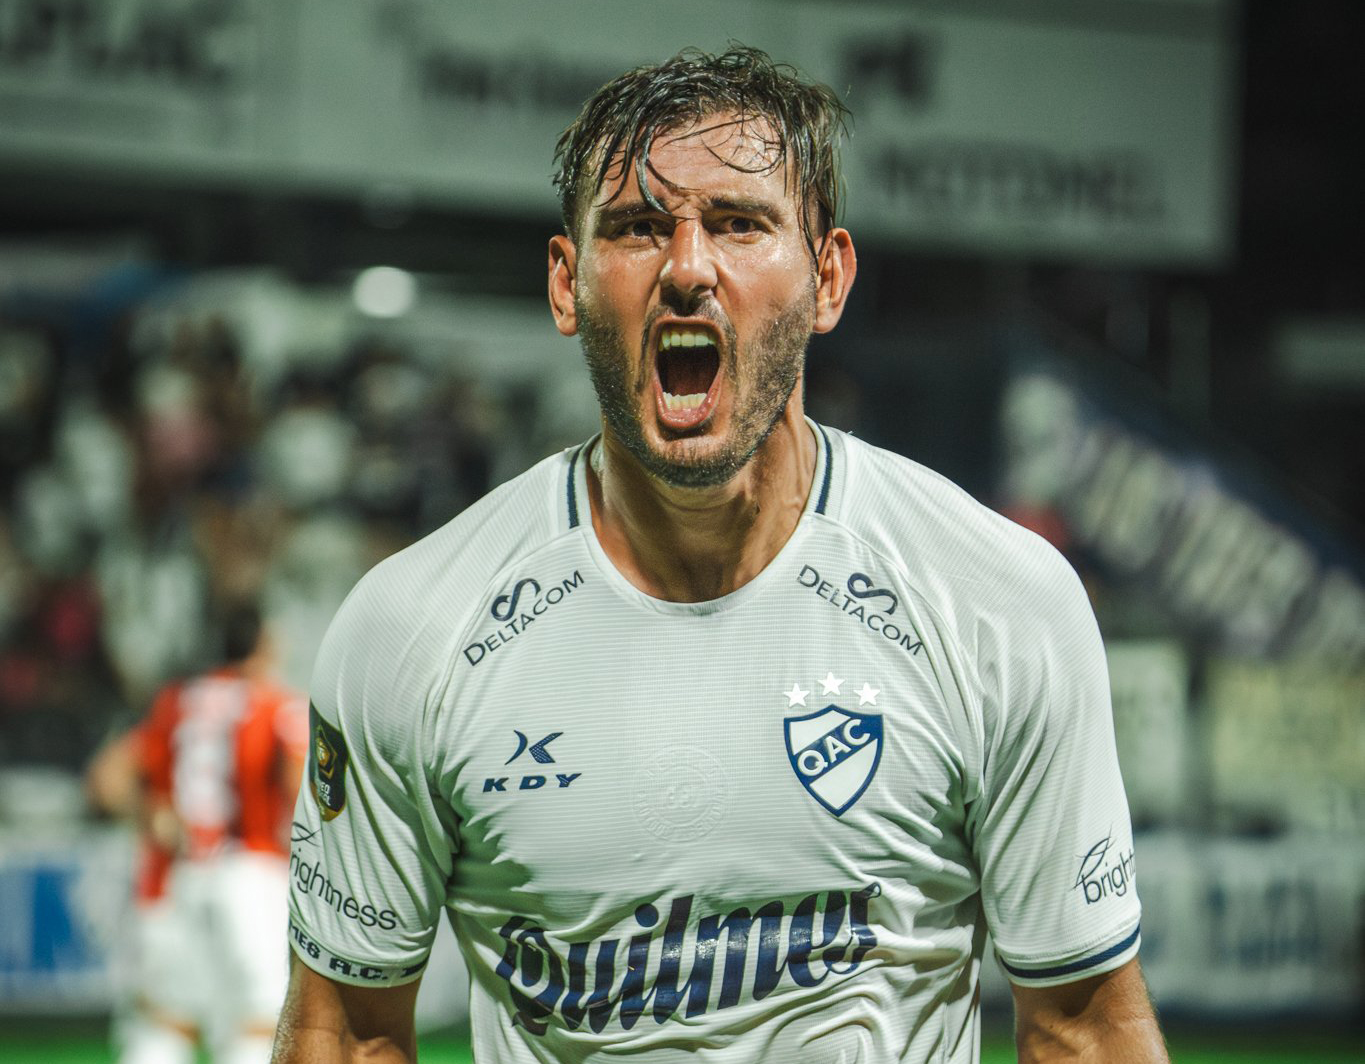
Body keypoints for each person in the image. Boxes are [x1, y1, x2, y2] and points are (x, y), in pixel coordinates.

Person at [274, 46, 1169, 1063]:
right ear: (566, 285)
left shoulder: (996, 602)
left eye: (739, 222)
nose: (688, 268)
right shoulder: (412, 627)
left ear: (827, 278)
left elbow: (1084, 1028)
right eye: (637, 227)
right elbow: (344, 1035)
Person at [117, 601, 307, 1064]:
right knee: (259, 1021)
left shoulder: (175, 701)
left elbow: (109, 778)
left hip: (181, 876)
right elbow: (301, 786)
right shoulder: (276, 704)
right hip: (253, 873)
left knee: (167, 1020)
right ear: (263, 646)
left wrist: (156, 818)